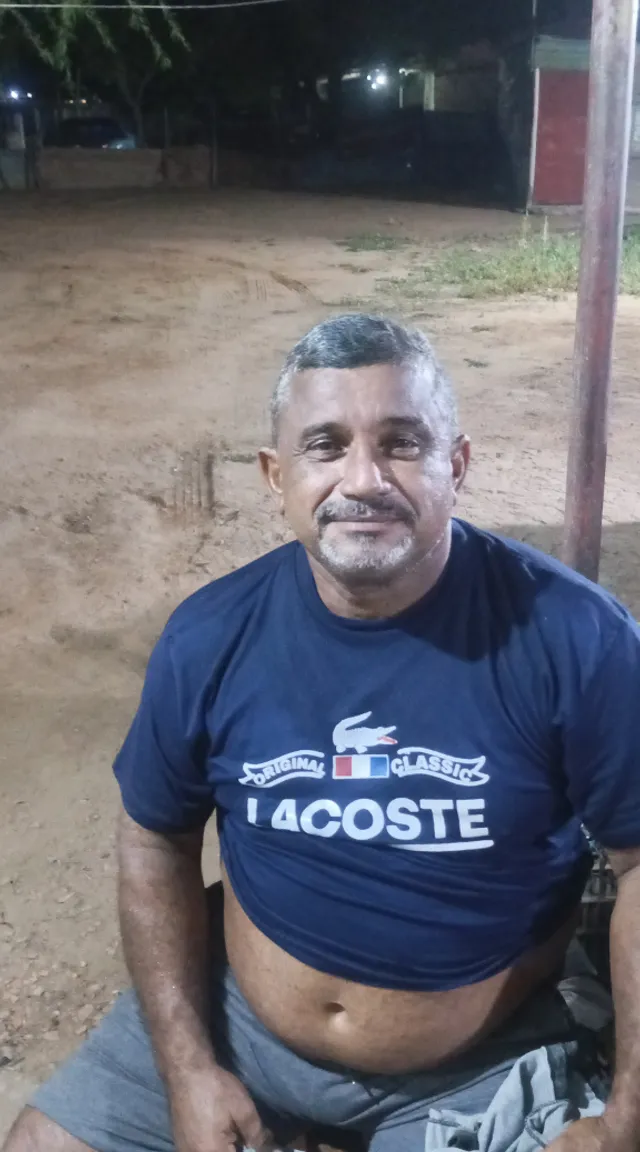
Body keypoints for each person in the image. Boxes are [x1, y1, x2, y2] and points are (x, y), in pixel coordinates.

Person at [5, 314, 640, 1152]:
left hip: (477, 1056)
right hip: (240, 1024)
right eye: (326, 445)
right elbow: (153, 839)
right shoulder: (212, 635)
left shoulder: (573, 637)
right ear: (277, 476)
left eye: (403, 443)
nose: (363, 478)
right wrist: (190, 1070)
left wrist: (625, 1119)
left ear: (458, 464)